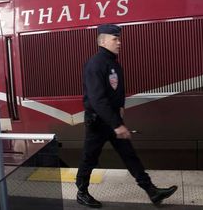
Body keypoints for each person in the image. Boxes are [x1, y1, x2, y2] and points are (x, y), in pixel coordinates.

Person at [75, 24, 177, 208]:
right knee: (89, 158)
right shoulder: (95, 64)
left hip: (113, 120)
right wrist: (117, 124)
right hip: (98, 122)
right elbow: (97, 99)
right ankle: (81, 192)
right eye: (115, 39)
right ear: (103, 40)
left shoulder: (113, 63)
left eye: (119, 38)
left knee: (129, 155)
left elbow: (117, 90)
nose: (119, 42)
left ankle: (152, 192)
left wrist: (121, 107)